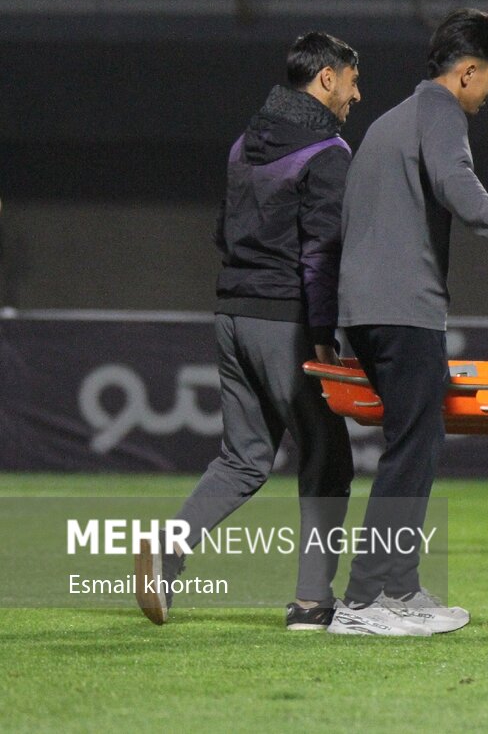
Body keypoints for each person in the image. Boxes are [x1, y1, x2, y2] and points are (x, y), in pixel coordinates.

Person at [133, 32, 362, 630]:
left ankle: (169, 548)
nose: (356, 95)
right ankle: (311, 603)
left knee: (243, 457)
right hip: (285, 322)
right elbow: (322, 254)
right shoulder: (328, 152)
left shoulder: (244, 143)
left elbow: (223, 230)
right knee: (327, 460)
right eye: (352, 81)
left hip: (232, 313)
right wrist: (322, 331)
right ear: (327, 79)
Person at [332, 8, 488, 637]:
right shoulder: (441, 112)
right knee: (412, 449)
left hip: (368, 307)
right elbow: (456, 178)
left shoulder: (395, 119)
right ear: (468, 72)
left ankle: (398, 588)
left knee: (416, 443)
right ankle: (364, 601)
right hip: (403, 308)